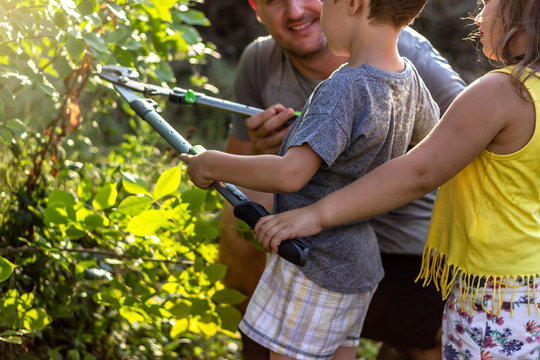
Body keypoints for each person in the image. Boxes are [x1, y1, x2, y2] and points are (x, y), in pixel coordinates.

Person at [255, 0, 540, 358]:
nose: (479, 15)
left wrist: (316, 214)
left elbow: (419, 172)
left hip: (495, 294)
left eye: (490, 4)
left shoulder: (500, 93)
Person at [180, 0, 439, 358]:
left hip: (314, 262)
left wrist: (211, 163)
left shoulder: (344, 88)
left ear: (351, 4)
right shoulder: (407, 77)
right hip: (359, 263)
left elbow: (290, 174)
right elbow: (433, 137)